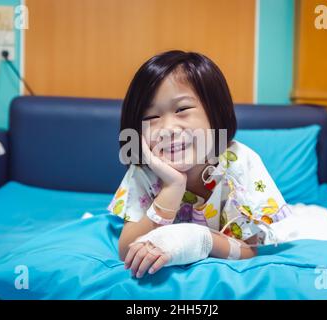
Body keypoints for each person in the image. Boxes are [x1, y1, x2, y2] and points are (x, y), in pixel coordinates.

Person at [107, 50, 291, 279]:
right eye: (150, 117)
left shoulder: (239, 164)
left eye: (182, 109)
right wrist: (172, 188)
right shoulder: (145, 170)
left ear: (214, 112)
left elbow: (249, 251)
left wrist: (199, 239)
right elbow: (126, 252)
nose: (167, 128)